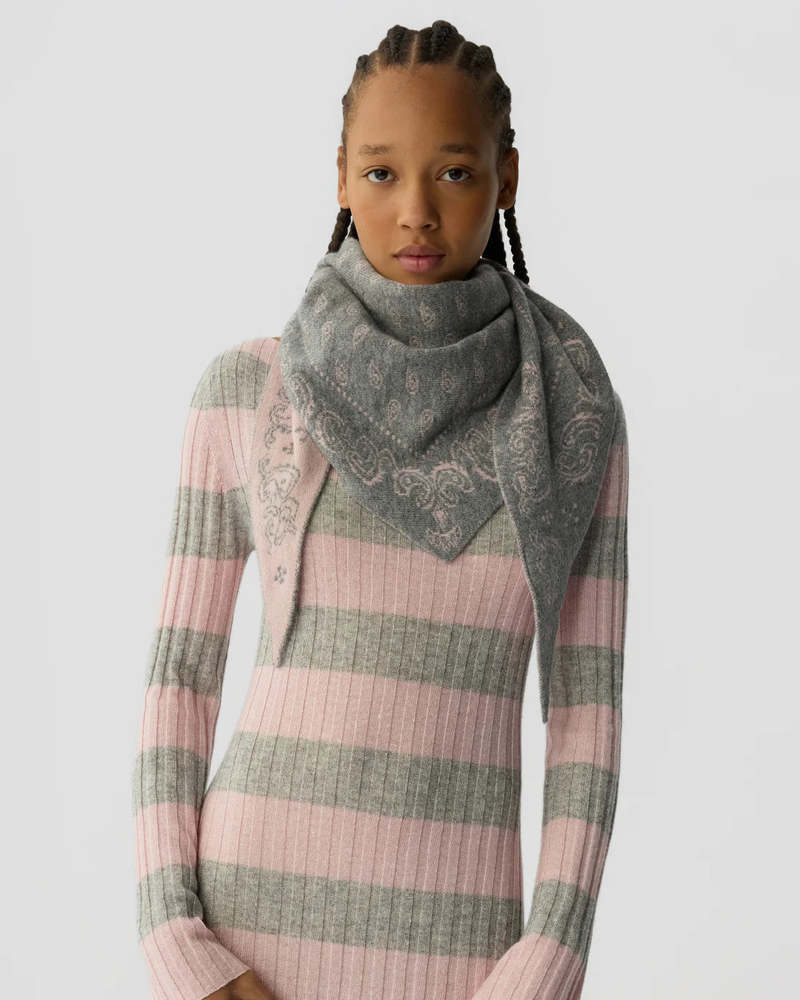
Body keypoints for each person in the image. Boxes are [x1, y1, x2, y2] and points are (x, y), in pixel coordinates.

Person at [132, 20, 630, 1000]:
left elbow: (587, 712)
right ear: (339, 177)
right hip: (243, 948)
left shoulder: (569, 418)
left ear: (506, 177)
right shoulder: (247, 394)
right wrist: (180, 948)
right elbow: (179, 680)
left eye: (453, 173)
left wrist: (546, 963)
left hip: (468, 965)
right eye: (379, 172)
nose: (415, 212)